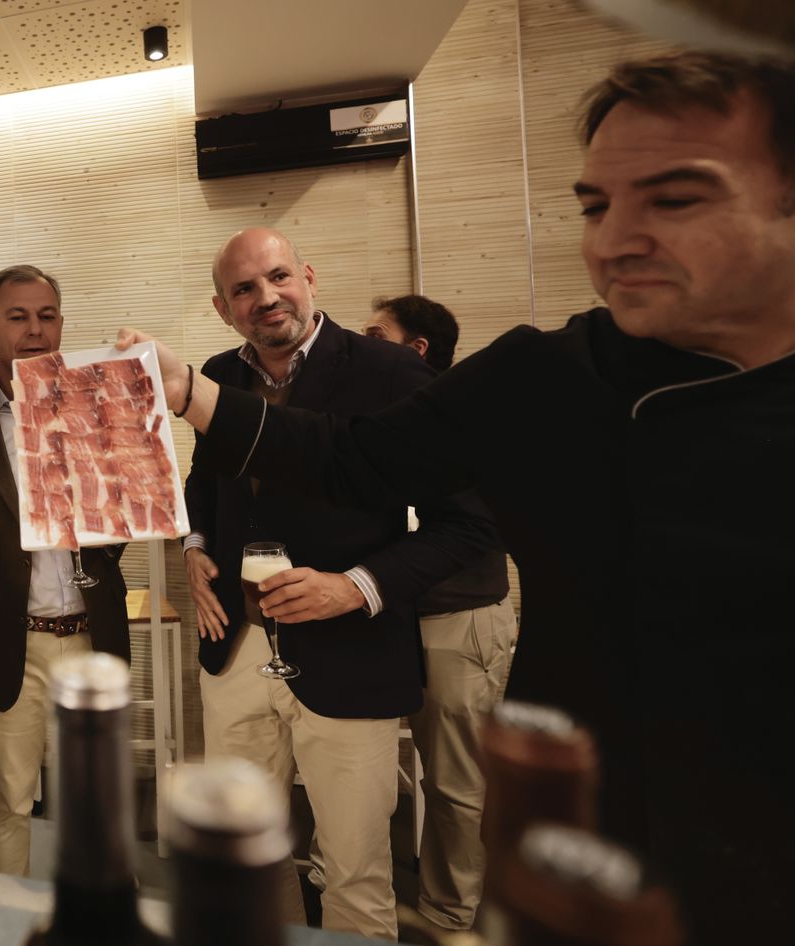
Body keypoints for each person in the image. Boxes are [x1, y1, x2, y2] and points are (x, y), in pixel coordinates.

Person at [121, 51, 795, 943]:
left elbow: (455, 524)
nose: (612, 240)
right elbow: (350, 460)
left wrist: (354, 586)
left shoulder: (386, 368)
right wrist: (185, 396)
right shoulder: (546, 373)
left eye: (676, 199)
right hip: (578, 837)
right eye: (595, 205)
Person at [181, 227, 499, 939]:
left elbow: (471, 524)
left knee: (354, 871)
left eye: (278, 276)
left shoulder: (388, 373)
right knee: (246, 863)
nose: (266, 297)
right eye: (244, 289)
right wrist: (195, 547)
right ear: (221, 307)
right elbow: (205, 485)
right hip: (234, 649)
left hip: (352, 652)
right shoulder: (216, 379)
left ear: (310, 277)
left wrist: (354, 586)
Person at [0, 264, 131, 875]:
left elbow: (120, 522)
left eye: (47, 316)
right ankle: (8, 921)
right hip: (8, 645)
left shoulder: (100, 402)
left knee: (102, 799)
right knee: (8, 798)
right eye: (18, 317)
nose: (35, 330)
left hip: (94, 636)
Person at [363, 294, 518, 936]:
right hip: (384, 619)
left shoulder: (463, 414)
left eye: (379, 334)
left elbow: (471, 525)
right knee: (361, 773)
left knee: (457, 785)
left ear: (416, 349)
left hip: (459, 621)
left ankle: (450, 914)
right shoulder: (379, 416)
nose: (363, 342)